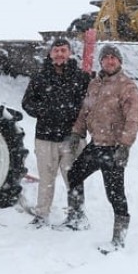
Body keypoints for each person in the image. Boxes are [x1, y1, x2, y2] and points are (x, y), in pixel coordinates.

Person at [58, 44, 138, 251]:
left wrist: (125, 146)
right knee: (75, 174)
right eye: (106, 57)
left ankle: (119, 240)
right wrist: (77, 132)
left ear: (119, 61)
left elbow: (133, 119)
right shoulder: (95, 84)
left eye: (114, 58)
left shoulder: (126, 86)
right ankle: (76, 218)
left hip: (114, 148)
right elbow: (85, 111)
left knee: (115, 194)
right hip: (96, 146)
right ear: (101, 61)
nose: (110, 61)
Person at [20, 38, 91, 228]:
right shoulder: (40, 77)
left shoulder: (80, 77)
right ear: (50, 53)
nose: (60, 54)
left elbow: (89, 105)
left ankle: (77, 215)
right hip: (45, 137)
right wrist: (43, 110)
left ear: (69, 53)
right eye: (56, 50)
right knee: (46, 178)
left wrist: (77, 122)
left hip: (72, 137)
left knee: (74, 178)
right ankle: (42, 215)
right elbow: (27, 103)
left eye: (63, 50)